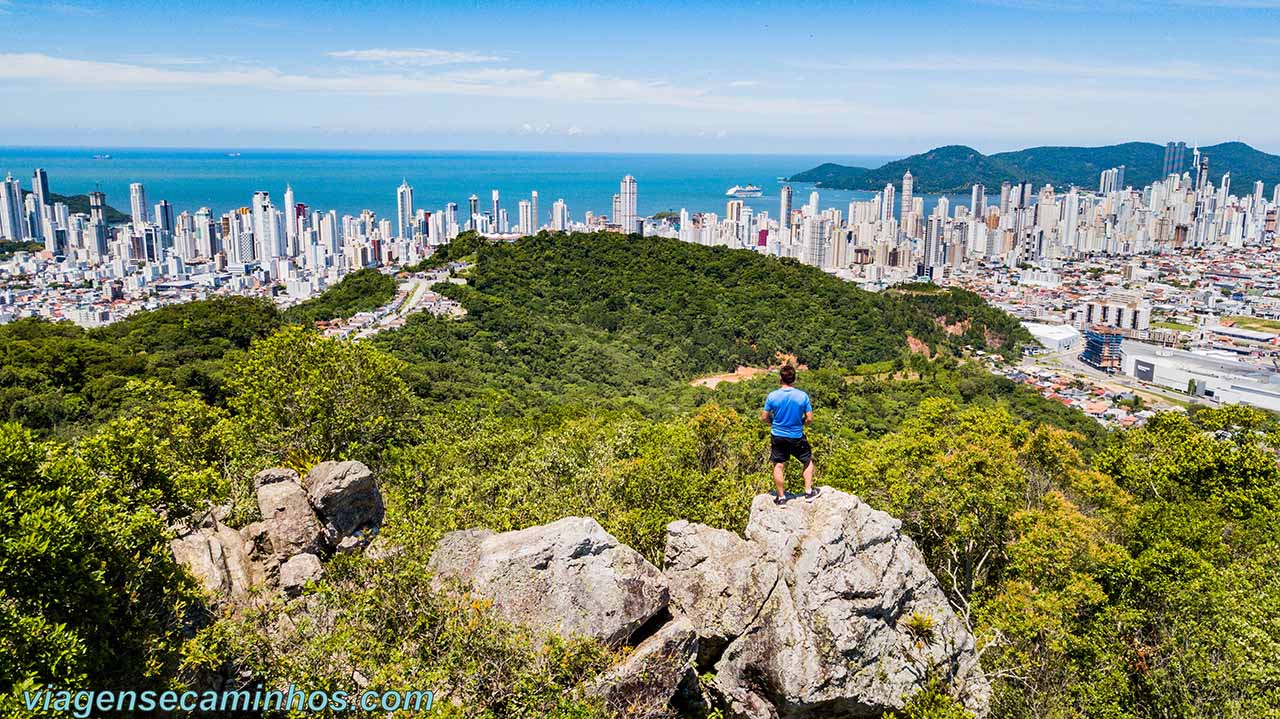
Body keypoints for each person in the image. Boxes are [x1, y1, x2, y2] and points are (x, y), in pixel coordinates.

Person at [761, 365, 817, 505]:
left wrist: (773, 422)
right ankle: (809, 492)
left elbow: (764, 418)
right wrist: (801, 423)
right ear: (794, 379)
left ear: (781, 378)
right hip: (796, 435)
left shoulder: (772, 396)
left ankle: (781, 498)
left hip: (778, 435)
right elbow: (810, 419)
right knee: (807, 461)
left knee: (778, 465)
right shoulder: (802, 396)